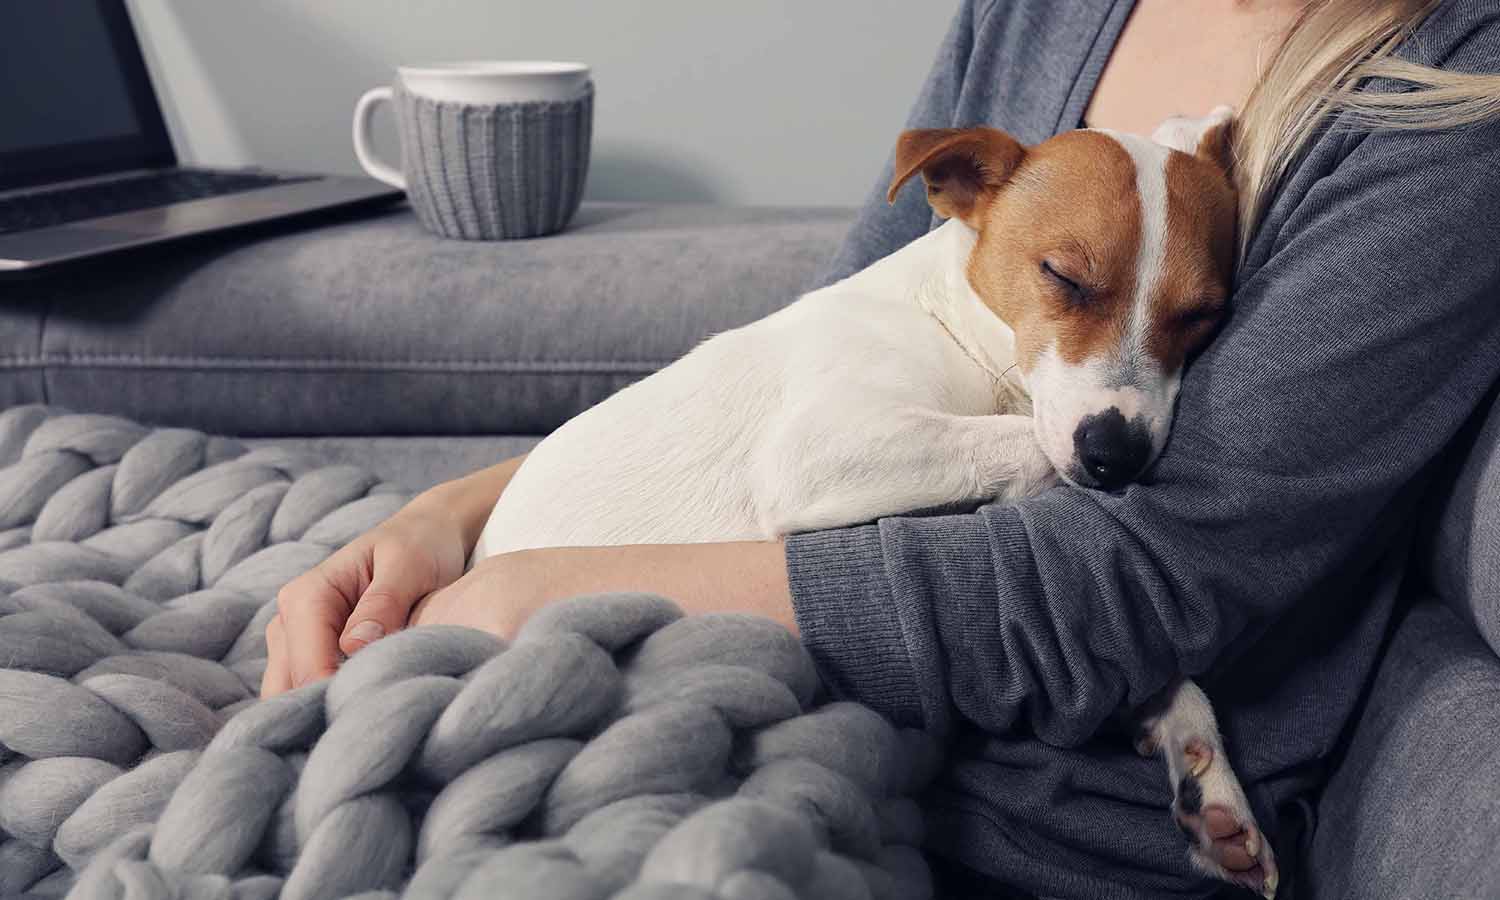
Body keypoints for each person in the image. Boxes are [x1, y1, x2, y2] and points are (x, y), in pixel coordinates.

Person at [262, 1, 1500, 897]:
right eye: (1067, 284)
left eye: (1191, 325)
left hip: (1000, 814)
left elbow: (1135, 581)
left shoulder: (1449, 96)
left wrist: (548, 586)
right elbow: (812, 353)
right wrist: (463, 516)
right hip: (684, 670)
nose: (1125, 373)